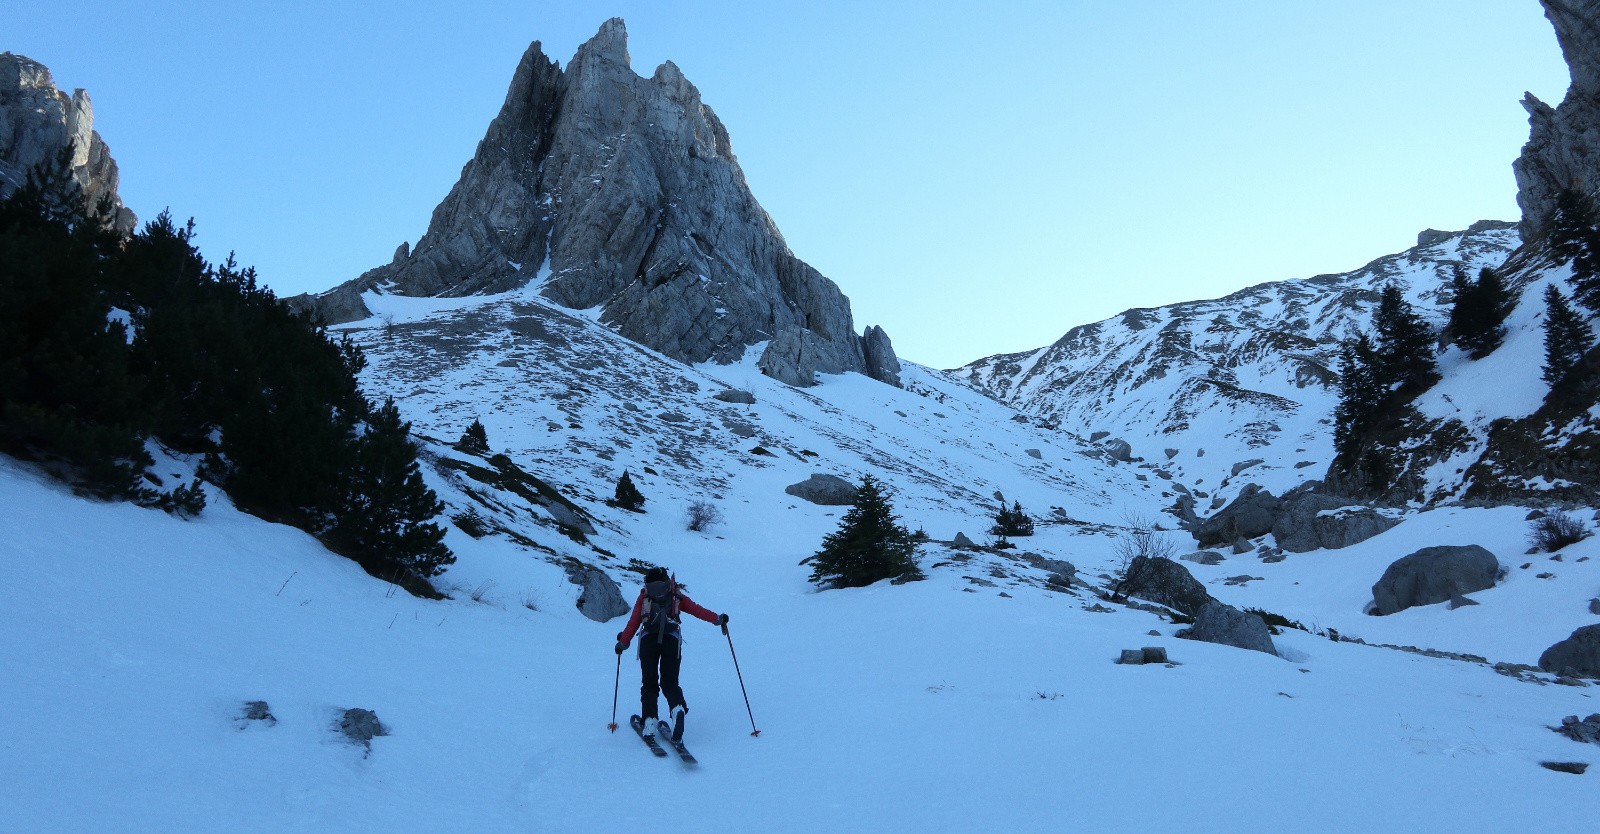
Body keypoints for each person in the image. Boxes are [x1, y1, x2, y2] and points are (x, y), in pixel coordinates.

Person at [614, 567, 727, 741]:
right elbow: (697, 609)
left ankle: (650, 722)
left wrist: (623, 643)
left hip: (648, 642)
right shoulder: (674, 595)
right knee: (670, 682)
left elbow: (634, 621)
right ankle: (677, 708)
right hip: (672, 641)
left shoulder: (645, 596)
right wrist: (717, 619)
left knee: (649, 682)